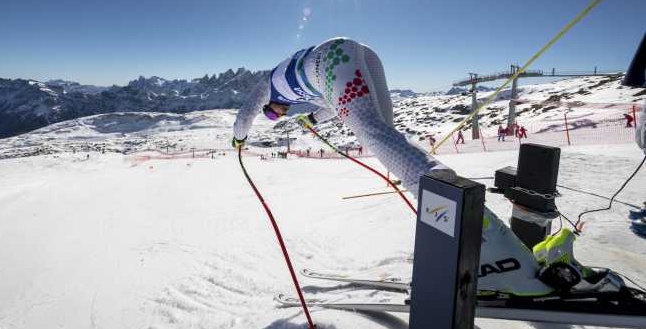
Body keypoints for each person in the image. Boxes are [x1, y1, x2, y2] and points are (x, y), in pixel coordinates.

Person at [231, 37, 590, 297]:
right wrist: (313, 118)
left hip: (333, 61)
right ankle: (427, 177)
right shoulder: (295, 87)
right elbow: (334, 101)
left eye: (273, 113)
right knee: (385, 134)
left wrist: (239, 139)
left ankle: (433, 182)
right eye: (275, 116)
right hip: (351, 53)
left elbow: (245, 113)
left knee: (373, 135)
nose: (277, 114)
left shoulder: (268, 85)